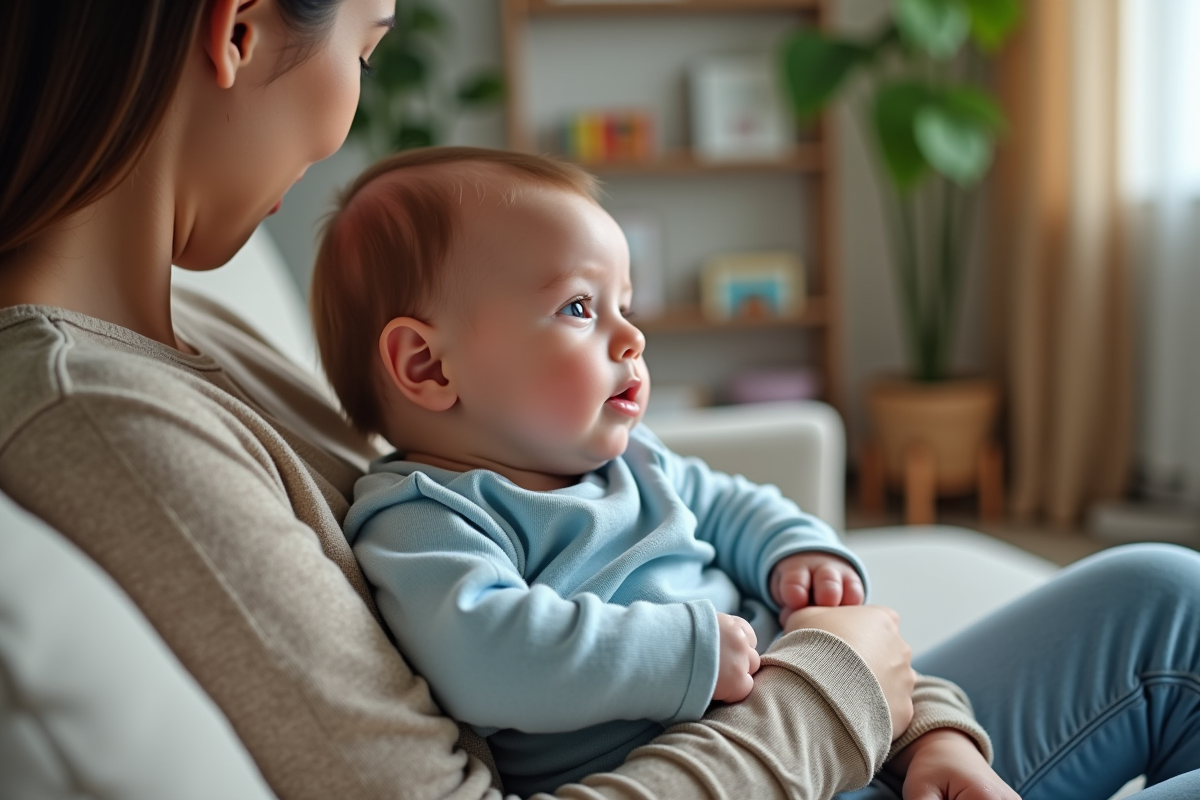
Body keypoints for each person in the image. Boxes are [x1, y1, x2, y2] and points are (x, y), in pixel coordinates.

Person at [0, 1, 1198, 799]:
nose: (352, 105)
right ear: (241, 30)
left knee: (1164, 598)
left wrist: (913, 706)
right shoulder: (98, 414)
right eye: (366, 50)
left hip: (808, 720)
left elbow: (718, 511)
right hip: (780, 739)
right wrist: (834, 687)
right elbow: (495, 661)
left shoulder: (185, 325)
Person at [310, 146, 1004, 797]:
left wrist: (795, 551)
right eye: (578, 307)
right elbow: (488, 655)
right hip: (746, 761)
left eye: (626, 306)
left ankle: (937, 742)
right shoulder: (426, 515)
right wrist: (684, 653)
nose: (633, 337)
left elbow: (732, 505)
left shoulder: (636, 459)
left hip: (832, 718)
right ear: (428, 366)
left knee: (959, 672)